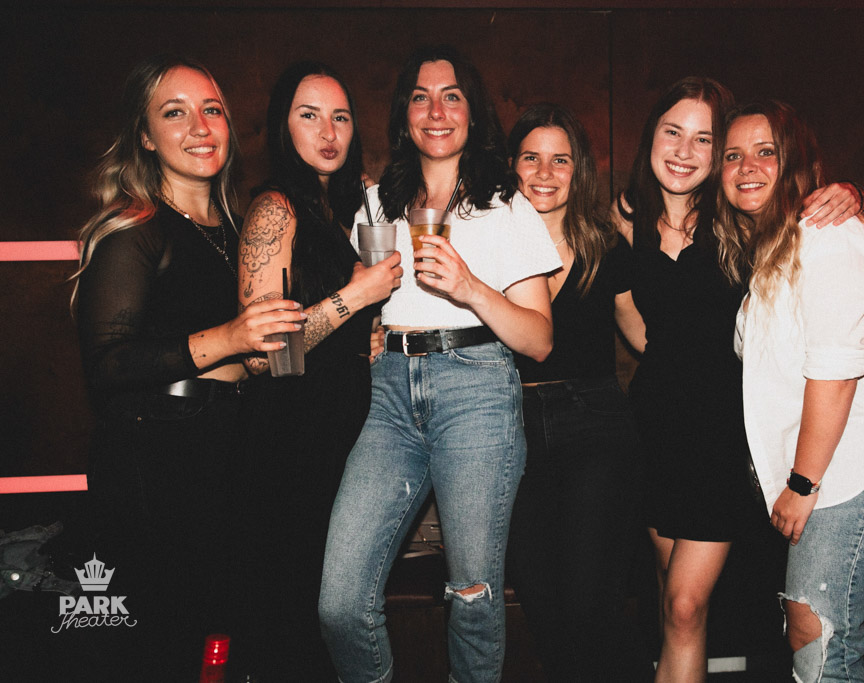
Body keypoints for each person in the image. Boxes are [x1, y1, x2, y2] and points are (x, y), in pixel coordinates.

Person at [318, 45, 561, 683]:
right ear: (404, 116)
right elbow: (360, 298)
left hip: (476, 390)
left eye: (451, 96)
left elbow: (539, 339)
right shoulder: (374, 203)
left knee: (473, 595)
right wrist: (369, 327)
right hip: (389, 396)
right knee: (340, 602)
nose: (436, 111)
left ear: (472, 113)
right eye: (420, 98)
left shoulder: (507, 205)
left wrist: (470, 288)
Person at [612, 77, 862, 682]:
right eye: (672, 132)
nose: (684, 150)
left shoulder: (739, 214)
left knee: (684, 603)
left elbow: (801, 202)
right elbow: (633, 320)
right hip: (655, 429)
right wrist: (672, 361)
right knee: (671, 599)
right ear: (650, 137)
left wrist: (848, 193)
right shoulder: (625, 217)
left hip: (724, 435)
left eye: (704, 139)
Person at [71, 55, 304, 679]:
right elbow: (108, 363)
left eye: (213, 110)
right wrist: (228, 337)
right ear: (146, 136)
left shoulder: (234, 229)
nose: (200, 127)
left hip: (228, 442)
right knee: (164, 643)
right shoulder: (135, 228)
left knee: (223, 635)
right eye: (175, 113)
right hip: (158, 453)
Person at [723, 101, 864, 682]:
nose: (747, 166)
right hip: (836, 463)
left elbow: (837, 371)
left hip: (854, 460)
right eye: (733, 155)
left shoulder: (826, 233)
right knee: (850, 638)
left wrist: (801, 482)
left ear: (795, 161)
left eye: (766, 151)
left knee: (815, 631)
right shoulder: (778, 247)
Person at [235, 61, 401, 679]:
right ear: (283, 126)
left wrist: (367, 336)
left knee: (331, 606)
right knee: (296, 614)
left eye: (341, 117)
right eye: (309, 115)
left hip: (338, 430)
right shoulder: (275, 209)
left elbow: (324, 324)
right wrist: (355, 298)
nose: (328, 132)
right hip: (291, 440)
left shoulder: (337, 209)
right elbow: (261, 354)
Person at [504, 103, 652, 682]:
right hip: (509, 429)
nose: (545, 173)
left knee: (591, 604)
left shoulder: (605, 244)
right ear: (511, 166)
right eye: (531, 158)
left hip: (595, 425)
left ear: (579, 169)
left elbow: (645, 335)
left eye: (560, 160)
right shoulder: (486, 246)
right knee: (540, 602)